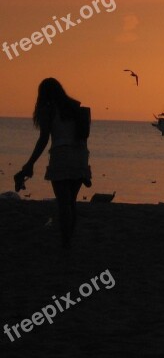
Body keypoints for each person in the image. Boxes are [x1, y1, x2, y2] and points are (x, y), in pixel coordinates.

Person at [16, 78, 92, 249]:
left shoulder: (49, 110)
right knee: (71, 202)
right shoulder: (76, 108)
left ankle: (65, 243)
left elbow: (43, 139)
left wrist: (30, 163)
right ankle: (68, 240)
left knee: (63, 203)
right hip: (80, 157)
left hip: (61, 157)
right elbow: (84, 136)